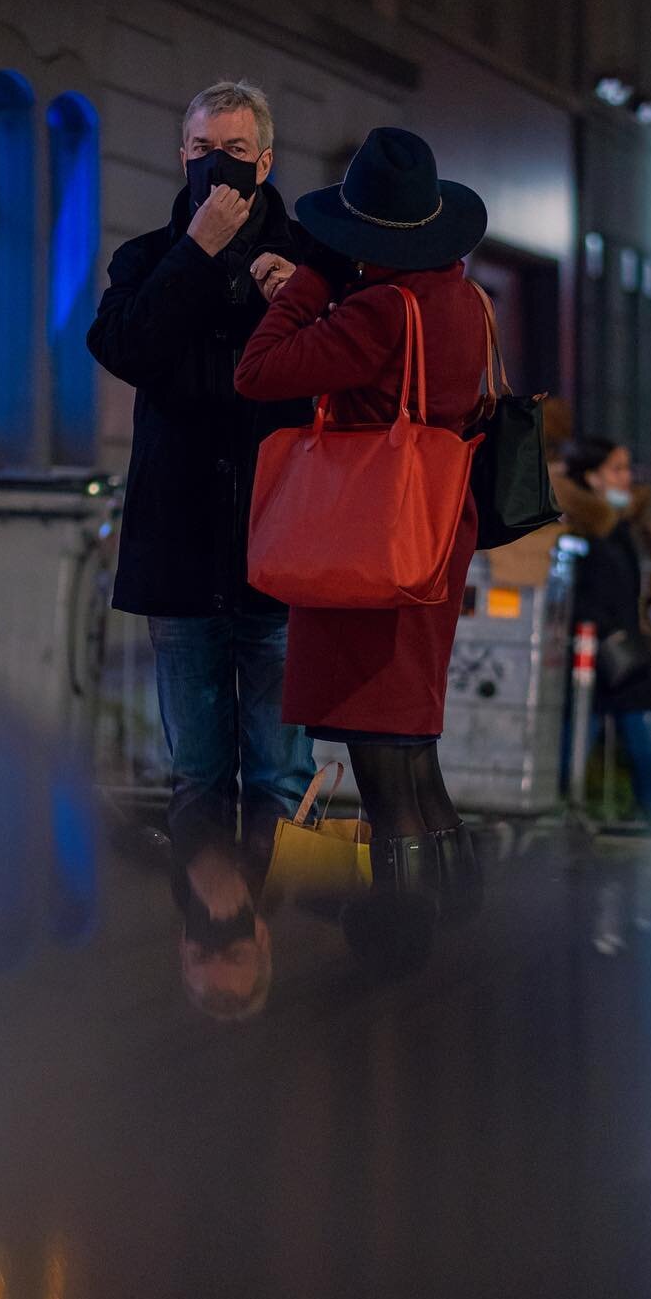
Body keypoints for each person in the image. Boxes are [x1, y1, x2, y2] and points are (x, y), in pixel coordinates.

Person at [235, 127, 490, 976]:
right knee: (412, 738)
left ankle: (398, 929)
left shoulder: (382, 310)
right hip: (432, 528)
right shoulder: (464, 299)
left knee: (381, 742)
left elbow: (260, 370)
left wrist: (310, 280)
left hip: (369, 537)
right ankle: (453, 899)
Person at [86, 79, 316, 1018]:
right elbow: (126, 348)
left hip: (281, 546)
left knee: (278, 772)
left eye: (228, 147)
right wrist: (197, 254)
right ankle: (210, 876)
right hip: (182, 553)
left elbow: (347, 369)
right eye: (194, 147)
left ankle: (261, 881)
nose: (209, 162)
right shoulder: (149, 258)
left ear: (265, 160)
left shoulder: (311, 258)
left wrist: (295, 301)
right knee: (198, 773)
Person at [556, 435, 651, 832]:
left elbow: (622, 591)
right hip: (597, 660)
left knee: (645, 756)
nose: (627, 478)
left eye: (627, 468)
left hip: (622, 663)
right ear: (591, 478)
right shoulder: (581, 532)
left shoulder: (618, 527)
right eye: (617, 469)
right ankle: (557, 822)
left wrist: (650, 611)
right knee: (575, 753)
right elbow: (574, 596)